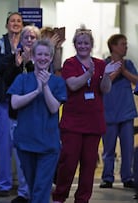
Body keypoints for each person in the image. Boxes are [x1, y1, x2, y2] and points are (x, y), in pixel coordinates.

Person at [52, 27, 121, 203]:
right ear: (75, 44)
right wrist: (89, 73)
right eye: (80, 43)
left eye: (86, 43)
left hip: (93, 121)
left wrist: (106, 75)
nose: (83, 46)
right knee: (68, 163)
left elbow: (104, 89)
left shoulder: (100, 64)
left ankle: (82, 199)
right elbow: (73, 85)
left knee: (89, 164)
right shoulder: (70, 63)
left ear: (91, 45)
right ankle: (59, 196)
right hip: (73, 122)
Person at [8, 39, 66, 203]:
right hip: (25, 143)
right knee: (34, 188)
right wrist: (36, 91)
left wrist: (45, 87)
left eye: (46, 55)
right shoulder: (22, 79)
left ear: (51, 57)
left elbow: (54, 108)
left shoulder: (57, 82)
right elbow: (15, 103)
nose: (42, 58)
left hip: (48, 145)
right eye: (39, 54)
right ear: (33, 56)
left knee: (42, 188)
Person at [0, 12, 30, 203]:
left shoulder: (29, 42)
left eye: (18, 21)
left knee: (23, 145)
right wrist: (13, 57)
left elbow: (32, 68)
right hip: (4, 100)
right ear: (6, 25)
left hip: (24, 102)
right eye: (12, 21)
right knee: (4, 145)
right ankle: (4, 185)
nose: (15, 23)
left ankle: (24, 188)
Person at [99, 34, 138, 189]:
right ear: (113, 47)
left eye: (126, 44)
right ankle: (107, 177)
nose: (125, 47)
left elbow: (136, 80)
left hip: (126, 113)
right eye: (122, 44)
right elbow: (102, 84)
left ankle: (127, 177)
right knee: (108, 149)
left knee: (127, 148)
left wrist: (124, 71)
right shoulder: (103, 65)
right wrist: (116, 71)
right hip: (108, 113)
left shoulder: (128, 64)